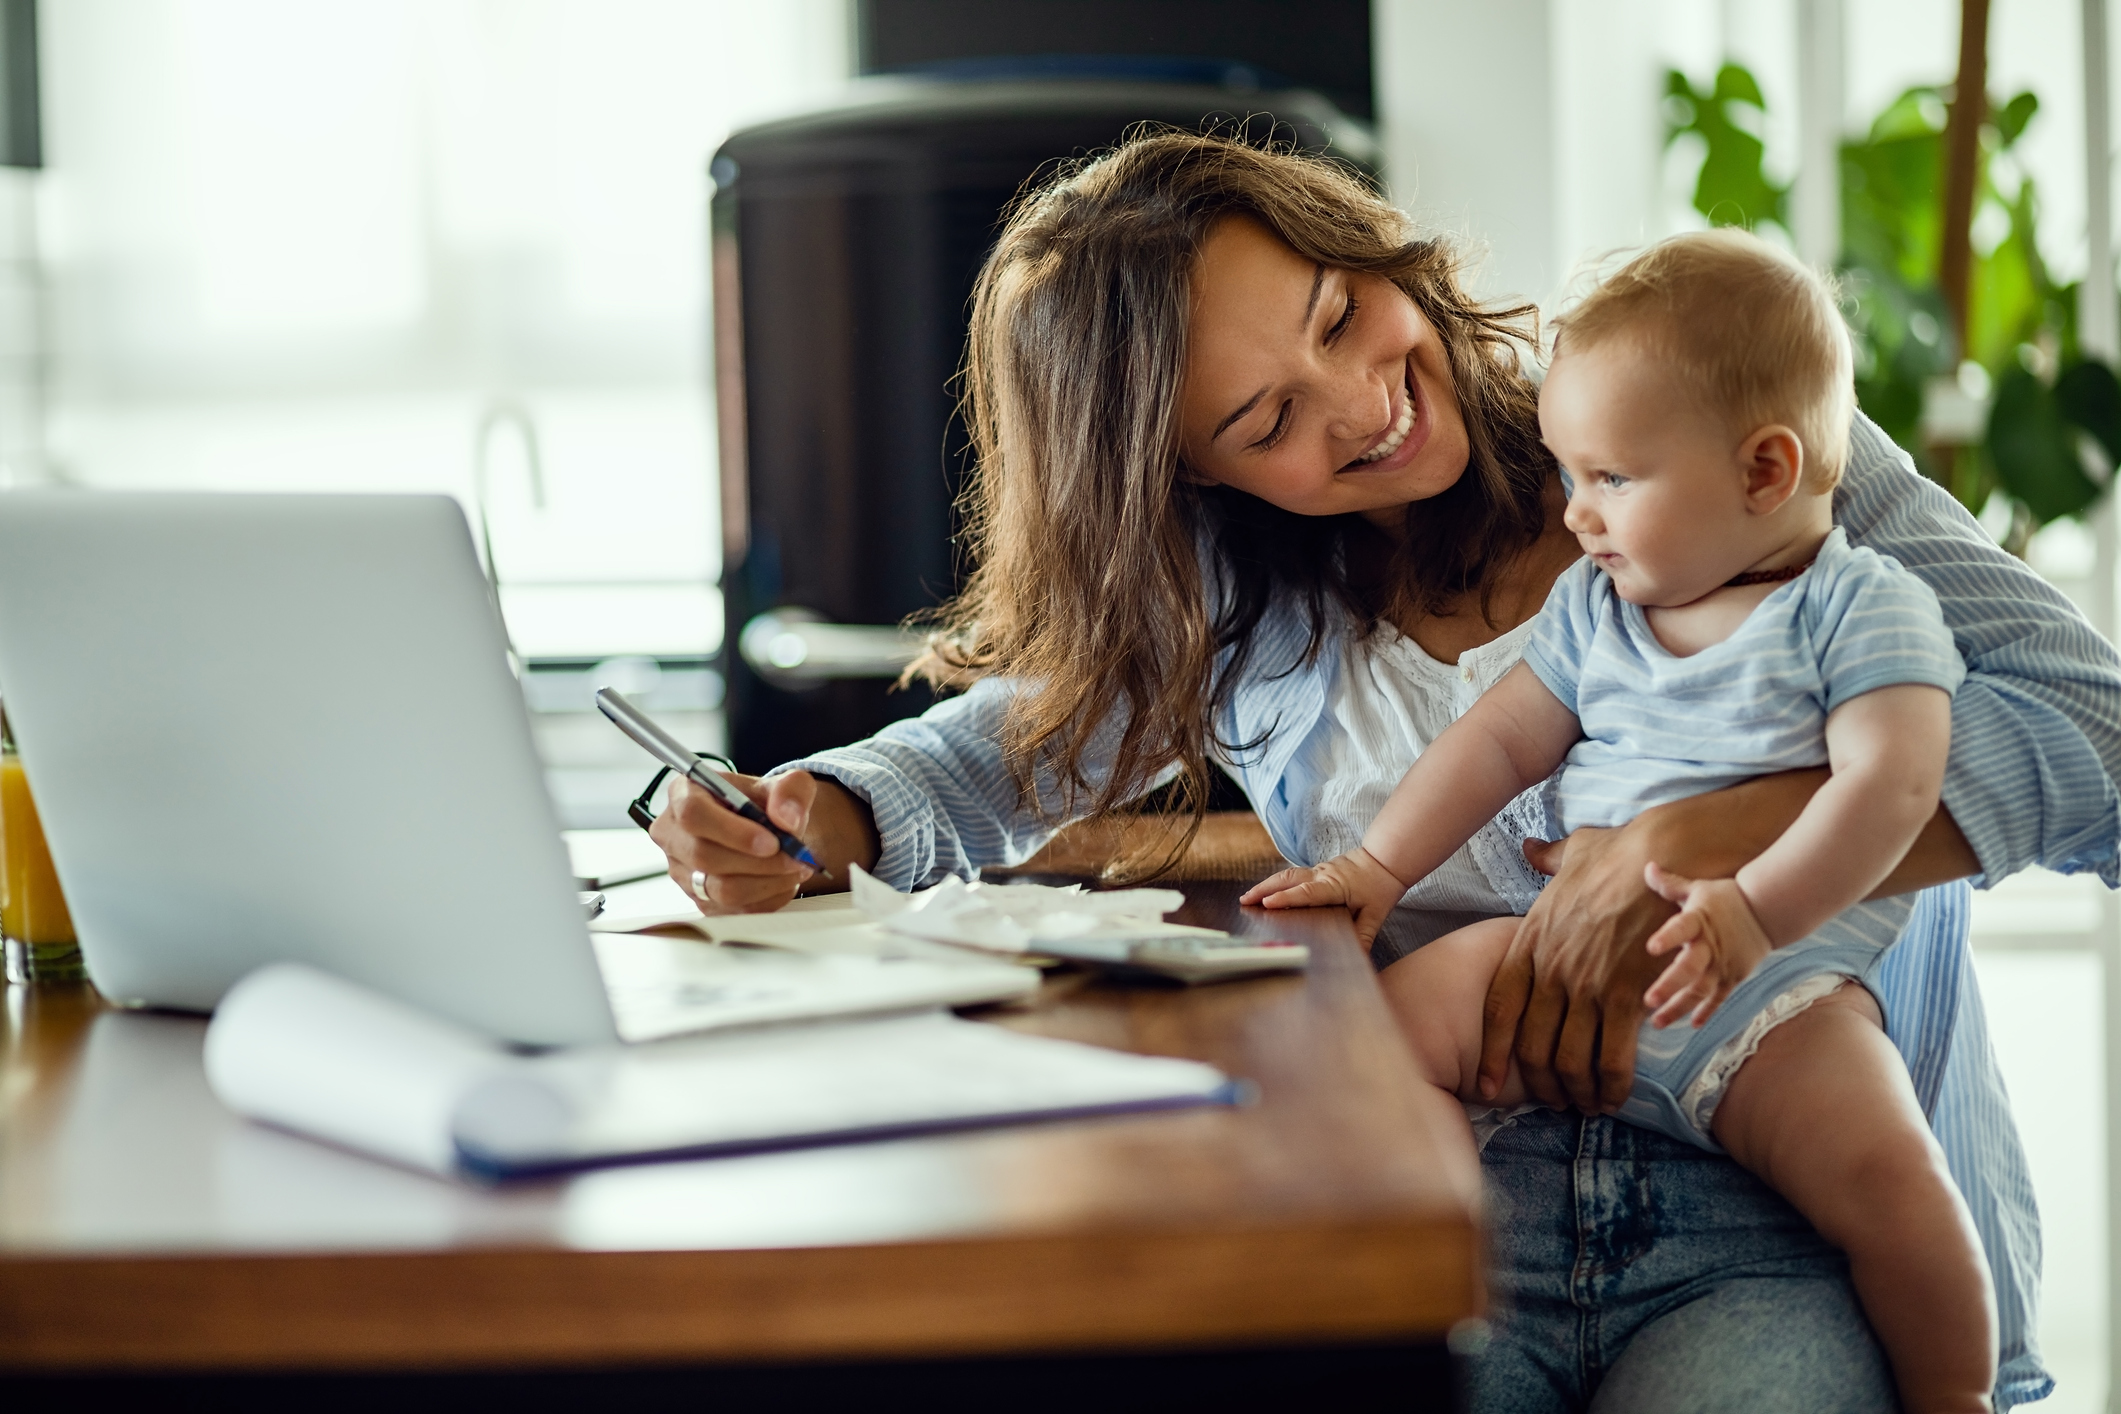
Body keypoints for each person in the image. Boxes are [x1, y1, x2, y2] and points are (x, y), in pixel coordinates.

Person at [657, 131, 2120, 1410]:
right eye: (1265, 421)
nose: (1361, 403)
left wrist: (1707, 835)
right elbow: (992, 755)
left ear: (1367, 249)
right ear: (1191, 479)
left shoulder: (1700, 418)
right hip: (1448, 1197)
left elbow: (2098, 735)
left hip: (1779, 1193)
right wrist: (814, 810)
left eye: (1343, 316)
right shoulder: (1241, 600)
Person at [1245, 229, 1993, 1412]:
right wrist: (1379, 864)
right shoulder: (1597, 608)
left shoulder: (1860, 607)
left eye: (1613, 479)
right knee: (1380, 1035)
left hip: (1772, 994)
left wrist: (1752, 914)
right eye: (1570, 474)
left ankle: (1955, 1388)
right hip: (1557, 951)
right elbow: (1499, 739)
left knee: (1890, 1173)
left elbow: (1892, 793)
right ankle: (1448, 1263)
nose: (1576, 512)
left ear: (1762, 472)